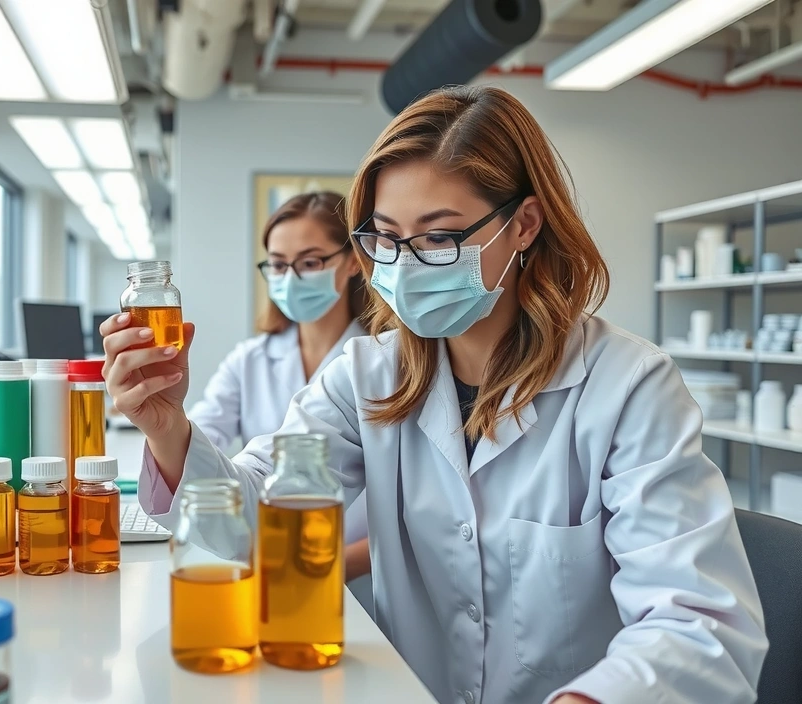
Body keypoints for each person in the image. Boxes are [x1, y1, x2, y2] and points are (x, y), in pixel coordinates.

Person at [101, 85, 767, 704]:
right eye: (386, 238)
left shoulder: (628, 387)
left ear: (525, 225)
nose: (406, 264)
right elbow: (249, 524)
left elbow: (699, 625)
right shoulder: (364, 377)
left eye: (441, 237)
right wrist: (167, 427)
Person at [186, 191, 373, 583]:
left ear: (353, 260)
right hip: (269, 558)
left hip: (362, 583)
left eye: (309, 262)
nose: (290, 279)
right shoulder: (249, 359)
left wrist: (326, 565)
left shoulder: (382, 365)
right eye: (277, 265)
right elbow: (200, 438)